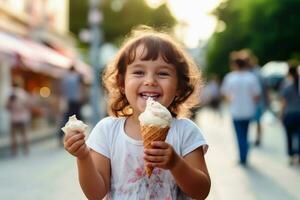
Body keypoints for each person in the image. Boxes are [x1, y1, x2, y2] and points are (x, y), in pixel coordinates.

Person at [63, 26, 211, 199]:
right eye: (139, 72)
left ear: (179, 86)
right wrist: (83, 157)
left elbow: (201, 192)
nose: (150, 81)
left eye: (163, 73)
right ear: (122, 83)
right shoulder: (107, 130)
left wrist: (175, 163)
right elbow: (95, 194)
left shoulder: (186, 132)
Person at [221, 52, 261, 165]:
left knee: (239, 135)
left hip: (236, 111)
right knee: (246, 133)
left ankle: (242, 156)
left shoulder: (230, 77)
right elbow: (257, 95)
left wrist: (231, 99)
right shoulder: (251, 77)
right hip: (248, 111)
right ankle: (245, 154)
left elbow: (225, 93)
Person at [279, 64, 300, 165]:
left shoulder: (287, 87)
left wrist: (281, 115)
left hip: (290, 114)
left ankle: (291, 156)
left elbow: (283, 104)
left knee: (289, 136)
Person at [59, 65, 84, 145]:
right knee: (78, 120)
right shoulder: (77, 77)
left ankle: (61, 135)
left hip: (69, 102)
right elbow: (80, 88)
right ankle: (78, 138)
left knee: (67, 119)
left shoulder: (65, 79)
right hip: (76, 101)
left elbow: (63, 91)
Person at [6, 79, 31, 156]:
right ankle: (26, 150)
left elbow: (6, 106)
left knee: (13, 136)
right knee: (24, 134)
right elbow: (28, 104)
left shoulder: (10, 93)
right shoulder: (23, 93)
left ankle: (14, 151)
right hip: (23, 117)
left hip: (13, 117)